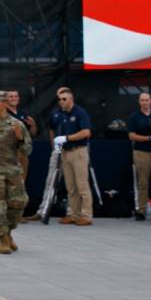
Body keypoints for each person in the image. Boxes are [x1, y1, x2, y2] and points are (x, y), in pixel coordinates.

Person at [0, 92, 30, 254]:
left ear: (4, 104)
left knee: (19, 202)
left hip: (12, 169)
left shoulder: (17, 125)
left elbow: (27, 150)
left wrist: (20, 139)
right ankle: (2, 238)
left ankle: (9, 231)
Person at [49, 86, 93, 226]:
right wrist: (58, 144)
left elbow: (86, 132)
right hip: (66, 152)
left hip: (78, 151)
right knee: (70, 186)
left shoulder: (80, 113)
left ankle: (86, 215)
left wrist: (67, 138)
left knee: (82, 185)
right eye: (59, 99)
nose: (61, 101)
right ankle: (73, 214)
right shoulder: (62, 115)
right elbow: (55, 131)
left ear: (71, 99)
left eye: (64, 99)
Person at [126, 92, 151, 221]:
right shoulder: (134, 117)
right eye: (142, 100)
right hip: (141, 152)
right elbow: (131, 136)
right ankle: (141, 210)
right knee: (143, 182)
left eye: (146, 100)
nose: (144, 102)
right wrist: (148, 138)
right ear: (139, 102)